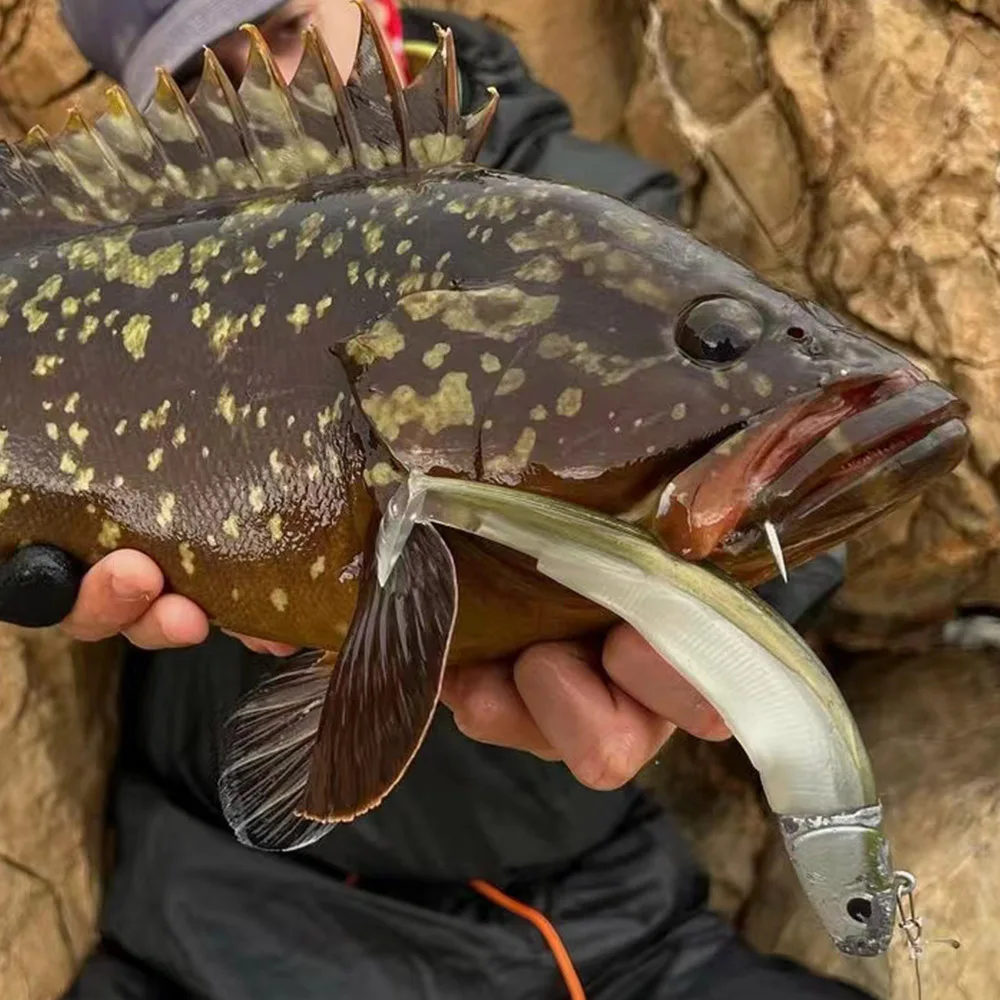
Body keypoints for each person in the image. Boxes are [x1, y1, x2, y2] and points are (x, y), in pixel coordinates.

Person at [0, 2, 863, 997]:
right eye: (203, 72)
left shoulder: (583, 216)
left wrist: (728, 615)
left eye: (285, 25)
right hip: (211, 925)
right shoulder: (130, 249)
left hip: (591, 928)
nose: (262, 79)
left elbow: (796, 475)